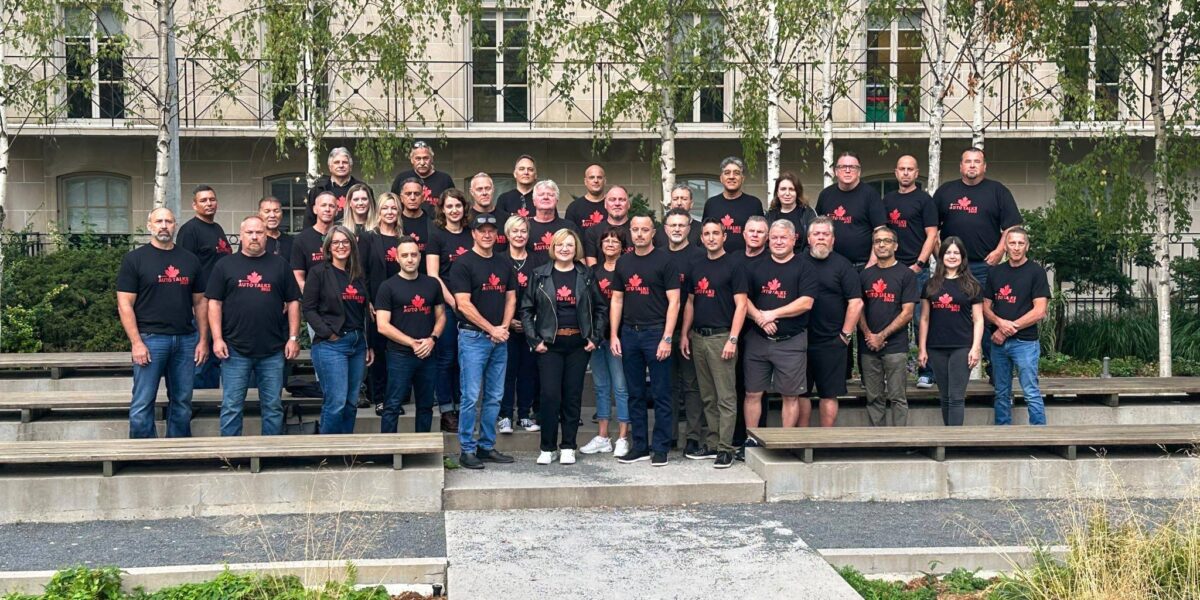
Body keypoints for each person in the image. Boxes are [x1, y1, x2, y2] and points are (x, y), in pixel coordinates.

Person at [116, 208, 208, 438]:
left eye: (168, 221)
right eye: (159, 221)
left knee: (183, 401)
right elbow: (124, 304)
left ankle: (177, 451)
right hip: (150, 340)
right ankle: (143, 454)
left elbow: (200, 304)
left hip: (186, 339)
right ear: (150, 226)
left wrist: (203, 340)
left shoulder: (190, 259)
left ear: (175, 225)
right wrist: (136, 342)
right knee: (143, 401)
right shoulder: (134, 259)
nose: (164, 225)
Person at [206, 216, 301, 436]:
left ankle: (271, 454)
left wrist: (294, 337)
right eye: (250, 232)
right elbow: (214, 303)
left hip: (272, 350)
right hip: (235, 349)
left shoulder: (280, 265)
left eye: (259, 232)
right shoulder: (225, 265)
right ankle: (231, 458)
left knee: (273, 407)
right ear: (241, 235)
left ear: (266, 235)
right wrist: (217, 338)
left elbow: (294, 302)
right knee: (231, 406)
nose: (255, 237)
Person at [935, 148, 1023, 378]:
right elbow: (931, 228)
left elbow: (1012, 227)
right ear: (961, 166)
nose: (972, 166)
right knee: (946, 314)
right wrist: (938, 255)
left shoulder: (998, 192)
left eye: (977, 162)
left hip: (985, 267)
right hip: (952, 268)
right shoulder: (946, 192)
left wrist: (999, 251)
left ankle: (995, 371)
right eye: (968, 161)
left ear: (985, 166)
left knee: (984, 317)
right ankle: (936, 373)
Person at [521, 228, 606, 465]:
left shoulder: (587, 274)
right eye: (560, 245)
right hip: (550, 345)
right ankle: (547, 447)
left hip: (578, 344)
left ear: (575, 247)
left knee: (572, 395)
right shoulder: (539, 275)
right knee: (549, 395)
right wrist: (534, 339)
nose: (565, 249)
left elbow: (600, 308)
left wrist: (595, 337)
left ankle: (568, 445)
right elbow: (526, 310)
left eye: (569, 244)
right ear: (553, 248)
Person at [447, 213, 518, 469]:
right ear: (473, 234)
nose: (487, 235)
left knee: (495, 396)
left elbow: (511, 298)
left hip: (499, 338)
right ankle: (467, 450)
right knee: (470, 396)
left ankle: (486, 446)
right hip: (473, 337)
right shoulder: (463, 264)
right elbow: (463, 304)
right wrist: (491, 329)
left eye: (491, 230)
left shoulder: (503, 263)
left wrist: (504, 327)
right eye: (482, 230)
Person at [610, 215, 681, 466]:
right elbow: (617, 300)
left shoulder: (666, 261)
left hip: (656, 333)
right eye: (635, 230)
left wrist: (667, 338)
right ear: (629, 232)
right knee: (635, 393)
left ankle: (660, 448)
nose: (640, 234)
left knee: (661, 393)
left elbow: (675, 301)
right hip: (629, 334)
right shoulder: (623, 263)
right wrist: (614, 335)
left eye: (645, 230)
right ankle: (639, 446)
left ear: (653, 233)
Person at [742, 220, 817, 456]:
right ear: (768, 239)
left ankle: (785, 443)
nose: (778, 241)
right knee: (752, 393)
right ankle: (751, 440)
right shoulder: (755, 266)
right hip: (757, 340)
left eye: (783, 237)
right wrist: (760, 319)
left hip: (791, 341)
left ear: (794, 239)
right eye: (774, 237)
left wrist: (773, 314)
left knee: (790, 395)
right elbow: (742, 298)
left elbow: (806, 302)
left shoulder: (805, 267)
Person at [680, 218, 748, 468]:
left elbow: (741, 305)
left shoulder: (734, 265)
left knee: (725, 397)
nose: (710, 237)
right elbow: (689, 302)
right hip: (698, 337)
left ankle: (725, 448)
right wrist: (685, 334)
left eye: (715, 233)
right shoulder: (695, 265)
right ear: (701, 237)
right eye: (706, 233)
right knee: (707, 395)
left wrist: (733, 338)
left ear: (724, 237)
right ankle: (712, 443)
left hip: (722, 338)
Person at [302, 225, 372, 434]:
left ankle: (345, 452)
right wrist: (328, 333)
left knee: (351, 403)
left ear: (352, 245)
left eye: (345, 242)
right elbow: (309, 308)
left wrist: (368, 344)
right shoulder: (318, 272)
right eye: (336, 242)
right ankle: (327, 455)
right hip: (331, 346)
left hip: (357, 344)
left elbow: (363, 313)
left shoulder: (357, 275)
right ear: (328, 247)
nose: (341, 246)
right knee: (336, 402)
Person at [376, 235, 446, 433]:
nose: (409, 259)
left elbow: (441, 317)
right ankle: (388, 453)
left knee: (425, 406)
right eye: (405, 255)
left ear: (420, 257)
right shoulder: (387, 287)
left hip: (428, 354)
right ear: (397, 258)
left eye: (414, 255)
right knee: (392, 406)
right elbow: (382, 325)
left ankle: (422, 452)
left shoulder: (432, 284)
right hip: (399, 355)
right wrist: (412, 343)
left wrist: (432, 339)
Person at [984, 227, 1049, 425]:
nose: (1017, 247)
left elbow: (1040, 311)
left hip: (1025, 343)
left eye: (1021, 243)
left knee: (1030, 392)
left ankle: (1040, 436)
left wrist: (1008, 329)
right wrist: (999, 324)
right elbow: (985, 308)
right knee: (1001, 392)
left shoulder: (1036, 272)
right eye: (1012, 243)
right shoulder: (995, 272)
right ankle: (1003, 438)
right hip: (998, 344)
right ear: (1005, 246)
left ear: (1027, 246)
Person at [884, 155, 939, 389]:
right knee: (892, 322)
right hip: (891, 271)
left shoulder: (925, 201)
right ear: (896, 172)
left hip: (917, 272)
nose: (906, 173)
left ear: (917, 174)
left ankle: (926, 372)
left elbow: (932, 235)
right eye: (902, 169)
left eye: (910, 169)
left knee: (920, 321)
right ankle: (892, 374)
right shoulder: (887, 200)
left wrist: (919, 263)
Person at [918, 237, 985, 427]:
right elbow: (924, 318)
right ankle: (947, 438)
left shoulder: (972, 285)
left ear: (962, 257)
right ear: (941, 256)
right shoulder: (930, 285)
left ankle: (954, 441)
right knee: (944, 397)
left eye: (956, 252)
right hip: (936, 346)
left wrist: (976, 347)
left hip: (962, 346)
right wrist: (922, 348)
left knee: (956, 397)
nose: (952, 256)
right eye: (948, 252)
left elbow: (979, 319)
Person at [803, 217, 864, 427]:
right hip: (799, 340)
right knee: (801, 393)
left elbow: (856, 303)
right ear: (808, 238)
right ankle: (801, 440)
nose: (821, 238)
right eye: (816, 234)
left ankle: (824, 440)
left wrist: (845, 335)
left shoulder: (843, 265)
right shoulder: (798, 261)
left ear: (833, 239)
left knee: (829, 394)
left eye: (825, 234)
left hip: (832, 342)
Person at [858, 226, 918, 426]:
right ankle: (878, 441)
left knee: (897, 398)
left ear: (896, 245)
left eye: (886, 241)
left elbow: (908, 312)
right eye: (877, 241)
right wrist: (868, 334)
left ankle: (899, 443)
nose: (881, 245)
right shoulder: (864, 275)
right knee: (873, 397)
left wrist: (881, 336)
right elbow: (858, 308)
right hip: (868, 346)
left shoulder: (906, 275)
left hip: (895, 347)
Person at [580, 227, 631, 457]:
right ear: (601, 246)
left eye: (615, 240)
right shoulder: (592, 272)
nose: (610, 243)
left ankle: (622, 437)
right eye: (606, 240)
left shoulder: (628, 269)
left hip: (619, 337)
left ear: (623, 245)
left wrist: (616, 335)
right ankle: (603, 436)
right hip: (597, 338)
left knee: (620, 387)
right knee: (601, 387)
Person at [425, 189, 473, 429]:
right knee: (446, 358)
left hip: (471, 307)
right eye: (449, 206)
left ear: (464, 208)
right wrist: (454, 302)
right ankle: (447, 409)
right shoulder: (437, 237)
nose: (454, 210)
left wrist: (468, 304)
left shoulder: (472, 234)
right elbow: (433, 275)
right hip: (446, 305)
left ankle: (463, 406)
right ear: (442, 210)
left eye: (458, 205)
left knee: (464, 360)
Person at [177, 185, 231, 389]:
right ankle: (199, 406)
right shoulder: (189, 230)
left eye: (212, 199)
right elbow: (185, 268)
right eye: (203, 200)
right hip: (201, 304)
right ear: (194, 205)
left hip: (220, 303)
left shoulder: (217, 229)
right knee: (202, 355)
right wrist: (191, 303)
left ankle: (214, 402)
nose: (209, 204)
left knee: (217, 355)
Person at [661, 208, 705, 457]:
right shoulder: (658, 256)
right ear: (665, 228)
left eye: (682, 225)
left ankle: (692, 437)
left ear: (690, 228)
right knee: (666, 386)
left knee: (691, 386)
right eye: (672, 225)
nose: (677, 229)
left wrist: (687, 332)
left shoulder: (699, 257)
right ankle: (668, 436)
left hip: (692, 331)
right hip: (664, 332)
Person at [360, 192, 404, 414]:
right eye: (385, 208)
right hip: (377, 303)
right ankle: (379, 398)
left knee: (398, 353)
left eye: (393, 208)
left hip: (402, 304)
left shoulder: (403, 239)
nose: (389, 212)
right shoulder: (369, 237)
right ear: (378, 212)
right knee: (378, 352)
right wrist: (367, 299)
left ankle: (395, 399)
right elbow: (362, 271)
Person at [499, 216, 540, 433]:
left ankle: (524, 414)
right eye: (515, 231)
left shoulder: (538, 261)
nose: (519, 235)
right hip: (505, 326)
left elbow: (543, 295)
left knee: (528, 370)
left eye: (523, 231)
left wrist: (530, 322)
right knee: (507, 371)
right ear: (507, 234)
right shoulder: (498, 260)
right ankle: (505, 414)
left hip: (531, 326)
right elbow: (495, 296)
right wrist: (508, 321)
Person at [732, 214, 770, 448]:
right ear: (743, 234)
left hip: (761, 332)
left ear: (766, 237)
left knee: (757, 387)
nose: (755, 235)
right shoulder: (733, 259)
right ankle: (737, 436)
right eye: (751, 231)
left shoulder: (771, 260)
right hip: (735, 330)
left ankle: (757, 436)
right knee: (735, 386)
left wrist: (761, 319)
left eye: (760, 232)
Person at [815, 152, 887, 270]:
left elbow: (880, 231)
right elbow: (817, 228)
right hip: (828, 264)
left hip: (861, 265)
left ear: (859, 171)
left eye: (852, 167)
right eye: (843, 167)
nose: (847, 170)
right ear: (835, 171)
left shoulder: (870, 195)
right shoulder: (826, 195)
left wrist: (872, 263)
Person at [701, 157, 764, 254]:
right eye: (727, 173)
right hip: (717, 261)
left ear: (742, 179)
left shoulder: (754, 204)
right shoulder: (711, 204)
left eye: (736, 173)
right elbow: (705, 233)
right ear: (721, 179)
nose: (731, 177)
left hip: (746, 262)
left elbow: (761, 235)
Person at [303, 147, 364, 227]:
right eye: (337, 162)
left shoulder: (363, 190)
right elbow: (309, 222)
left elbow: (371, 217)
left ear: (350, 167)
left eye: (345, 162)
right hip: (325, 238)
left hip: (356, 237)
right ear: (330, 167)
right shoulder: (318, 191)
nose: (341, 165)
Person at [291, 190, 338, 292]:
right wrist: (311, 297)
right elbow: (298, 277)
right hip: (312, 301)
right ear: (315, 209)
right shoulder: (301, 239)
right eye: (323, 205)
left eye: (332, 206)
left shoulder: (343, 237)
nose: (327, 209)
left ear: (337, 210)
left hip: (341, 299)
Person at [527, 180, 578, 268]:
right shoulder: (525, 228)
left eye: (550, 195)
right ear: (534, 201)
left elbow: (579, 257)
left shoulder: (569, 227)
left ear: (557, 201)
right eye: (541, 194)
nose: (546, 197)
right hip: (532, 277)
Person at [389, 140, 456, 208]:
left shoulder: (445, 179)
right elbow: (394, 204)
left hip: (436, 218)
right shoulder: (402, 178)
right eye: (418, 158)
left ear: (432, 159)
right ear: (412, 160)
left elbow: (453, 203)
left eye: (425, 158)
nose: (422, 163)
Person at [766, 172, 816, 251]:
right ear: (777, 193)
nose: (787, 193)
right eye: (783, 189)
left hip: (802, 261)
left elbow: (814, 241)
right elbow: (765, 243)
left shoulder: (808, 213)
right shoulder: (770, 215)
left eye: (791, 189)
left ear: (797, 193)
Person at [584, 186, 633, 265]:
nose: (617, 203)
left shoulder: (637, 231)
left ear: (628, 205)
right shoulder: (592, 232)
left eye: (622, 200)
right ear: (605, 204)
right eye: (612, 200)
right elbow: (592, 267)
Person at [467, 172, 511, 250]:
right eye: (479, 189)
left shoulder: (506, 219)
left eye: (487, 188)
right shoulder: (465, 219)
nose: (484, 193)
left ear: (493, 189)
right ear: (472, 192)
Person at [564, 163, 608, 230]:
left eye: (599, 177)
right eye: (591, 177)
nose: (596, 181)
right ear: (585, 181)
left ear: (604, 181)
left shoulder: (613, 206)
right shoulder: (574, 207)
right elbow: (569, 235)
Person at [398, 178, 432, 254]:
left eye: (417, 194)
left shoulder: (434, 224)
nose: (412, 198)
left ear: (423, 197)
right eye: (408, 194)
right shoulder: (394, 223)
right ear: (401, 198)